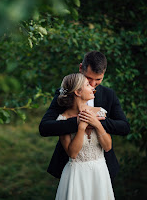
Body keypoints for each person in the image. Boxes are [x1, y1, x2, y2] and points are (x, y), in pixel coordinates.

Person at [39, 51, 130, 186]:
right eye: (88, 79)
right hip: (72, 166)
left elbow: (124, 127)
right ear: (81, 68)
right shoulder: (64, 94)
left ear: (104, 74)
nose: (93, 84)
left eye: (98, 79)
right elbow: (45, 127)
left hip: (102, 166)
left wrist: (97, 122)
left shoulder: (108, 95)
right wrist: (77, 122)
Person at [54, 73, 114, 199]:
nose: (93, 87)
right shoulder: (62, 119)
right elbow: (73, 154)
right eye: (87, 85)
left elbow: (107, 146)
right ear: (78, 92)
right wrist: (81, 127)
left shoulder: (99, 112)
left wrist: (97, 124)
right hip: (76, 176)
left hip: (100, 173)